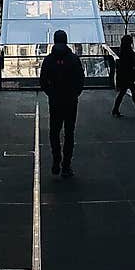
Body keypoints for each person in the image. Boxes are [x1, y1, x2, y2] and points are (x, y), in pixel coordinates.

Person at [39, 29, 85, 177]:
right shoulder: (73, 59)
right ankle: (66, 164)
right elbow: (80, 79)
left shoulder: (49, 60)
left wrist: (51, 93)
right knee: (69, 132)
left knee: (54, 131)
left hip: (55, 100)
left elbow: (43, 80)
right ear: (66, 40)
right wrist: (75, 92)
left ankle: (56, 159)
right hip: (71, 100)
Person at [112, 35, 135, 118]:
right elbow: (133, 60)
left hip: (124, 75)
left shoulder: (123, 50)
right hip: (128, 75)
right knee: (131, 92)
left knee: (124, 93)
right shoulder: (128, 51)